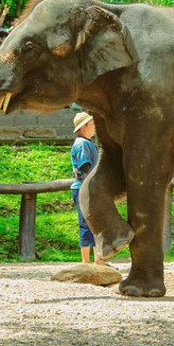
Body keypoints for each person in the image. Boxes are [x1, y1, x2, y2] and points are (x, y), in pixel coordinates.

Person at [70, 111, 101, 264]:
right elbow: (85, 168)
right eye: (92, 123)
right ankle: (86, 262)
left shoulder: (86, 143)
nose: (95, 126)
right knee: (86, 224)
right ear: (84, 127)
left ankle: (97, 260)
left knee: (93, 224)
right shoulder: (82, 144)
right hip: (84, 188)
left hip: (87, 188)